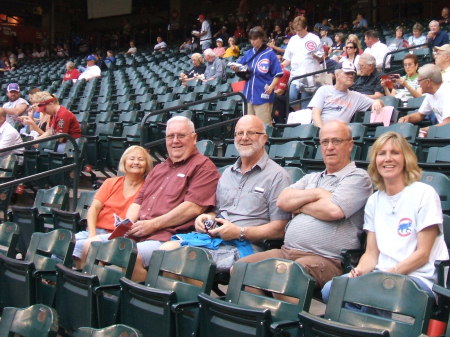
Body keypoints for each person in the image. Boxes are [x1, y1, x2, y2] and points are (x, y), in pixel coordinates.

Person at [81, 116, 220, 281]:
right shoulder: (159, 168)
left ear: (194, 138)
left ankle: (145, 297)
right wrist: (128, 225)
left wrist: (153, 224)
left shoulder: (203, 167)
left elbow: (193, 208)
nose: (175, 141)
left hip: (167, 236)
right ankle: (97, 298)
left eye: (181, 136)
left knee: (125, 255)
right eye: (170, 136)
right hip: (139, 233)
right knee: (90, 246)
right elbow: (138, 201)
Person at [237, 120, 373, 288]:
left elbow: (334, 210)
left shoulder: (358, 177)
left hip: (326, 259)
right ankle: (262, 313)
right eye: (325, 142)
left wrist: (299, 206)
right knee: (241, 269)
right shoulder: (312, 178)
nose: (329, 147)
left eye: (336, 141)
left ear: (350, 145)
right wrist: (316, 194)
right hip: (286, 252)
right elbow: (283, 200)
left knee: (285, 276)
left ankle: (286, 313)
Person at [322, 132, 448, 301]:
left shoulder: (424, 194)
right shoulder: (374, 200)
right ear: (375, 161)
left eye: (395, 153)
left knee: (372, 298)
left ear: (406, 159)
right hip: (382, 277)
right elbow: (371, 254)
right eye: (382, 154)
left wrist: (389, 276)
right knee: (331, 290)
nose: (388, 159)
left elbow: (423, 254)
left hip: (419, 279)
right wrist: (359, 271)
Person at [159, 115, 291, 271]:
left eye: (251, 133)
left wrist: (240, 232)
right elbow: (218, 211)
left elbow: (280, 228)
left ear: (264, 138)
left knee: (182, 260)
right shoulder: (228, 173)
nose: (244, 138)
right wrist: (206, 217)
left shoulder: (277, 176)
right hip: (214, 240)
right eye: (239, 133)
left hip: (246, 246)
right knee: (165, 252)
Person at [73, 146, 153, 264]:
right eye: (132, 158)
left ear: (147, 165)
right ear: (124, 162)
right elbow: (93, 209)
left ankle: (81, 278)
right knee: (64, 244)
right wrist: (92, 233)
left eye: (141, 159)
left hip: (120, 237)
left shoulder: (149, 189)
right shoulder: (110, 183)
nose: (136, 162)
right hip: (95, 231)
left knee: (80, 246)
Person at [232, 26, 282, 125]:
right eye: (251, 39)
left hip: (263, 93)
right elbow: (239, 64)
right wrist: (235, 68)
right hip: (248, 93)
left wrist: (272, 87)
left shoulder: (269, 53)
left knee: (263, 124)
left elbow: (278, 73)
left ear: (261, 38)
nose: (252, 41)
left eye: (255, 39)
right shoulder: (249, 52)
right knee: (248, 125)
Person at [310, 62, 383, 128]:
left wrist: (377, 102)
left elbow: (379, 102)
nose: (351, 76)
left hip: (340, 135)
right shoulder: (324, 90)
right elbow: (315, 114)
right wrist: (323, 131)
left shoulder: (356, 96)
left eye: (352, 73)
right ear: (337, 75)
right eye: (347, 73)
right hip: (319, 132)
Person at [282, 15, 324, 110]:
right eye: (296, 30)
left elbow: (322, 58)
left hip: (309, 75)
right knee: (291, 97)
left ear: (306, 27)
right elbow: (288, 58)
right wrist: (281, 65)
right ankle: (299, 113)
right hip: (295, 74)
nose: (298, 32)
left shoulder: (314, 38)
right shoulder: (293, 39)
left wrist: (316, 56)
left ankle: (304, 119)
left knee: (305, 100)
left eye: (300, 30)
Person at [398, 64, 450, 136]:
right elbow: (420, 115)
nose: (418, 83)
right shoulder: (430, 94)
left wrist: (420, 130)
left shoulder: (447, 93)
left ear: (428, 82)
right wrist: (407, 118)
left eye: (419, 81)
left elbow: (447, 124)